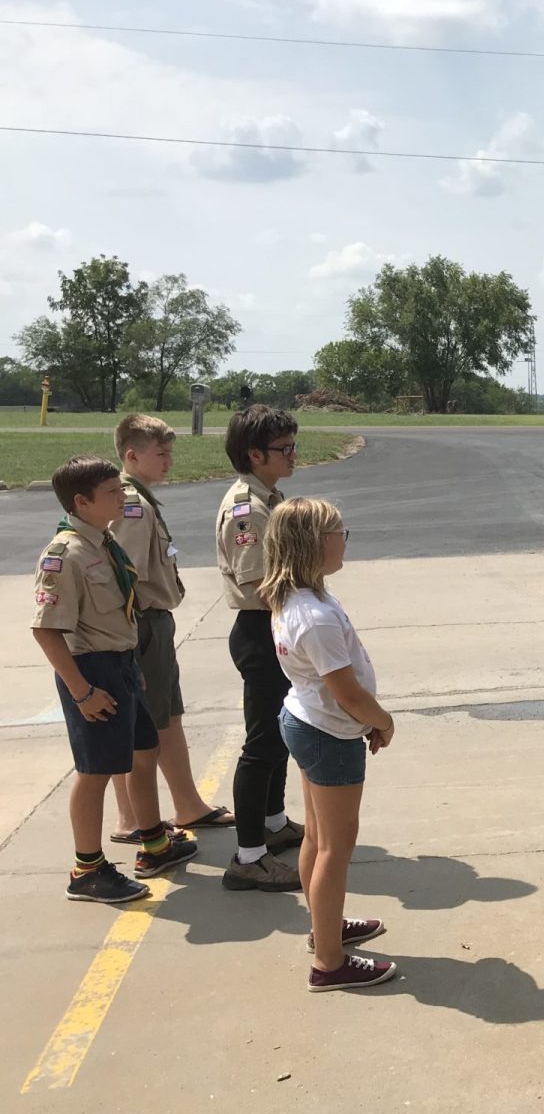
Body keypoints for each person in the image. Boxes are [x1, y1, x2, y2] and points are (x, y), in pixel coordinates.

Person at [31, 455, 198, 903]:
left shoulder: (102, 542)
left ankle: (154, 843)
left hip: (122, 665)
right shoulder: (64, 555)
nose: (122, 496)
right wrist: (81, 691)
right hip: (91, 672)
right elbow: (46, 630)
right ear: (82, 502)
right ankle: (88, 869)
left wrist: (132, 670)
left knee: (145, 752)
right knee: (96, 771)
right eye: (112, 492)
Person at [262, 497, 398, 992]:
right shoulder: (313, 616)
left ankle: (324, 928)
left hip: (308, 721)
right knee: (335, 849)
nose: (345, 539)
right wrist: (381, 721)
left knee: (318, 840)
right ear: (314, 544)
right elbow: (346, 692)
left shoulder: (302, 598)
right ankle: (329, 963)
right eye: (341, 531)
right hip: (329, 733)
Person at [107, 414, 234, 843]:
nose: (169, 460)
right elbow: (120, 579)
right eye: (160, 453)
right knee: (147, 723)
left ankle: (186, 804)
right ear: (131, 455)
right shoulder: (132, 506)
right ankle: (132, 818)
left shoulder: (137, 499)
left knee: (165, 718)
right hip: (141, 624)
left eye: (169, 452)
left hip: (151, 622)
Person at [216, 406, 304, 892]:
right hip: (261, 629)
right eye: (284, 449)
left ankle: (273, 823)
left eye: (293, 445)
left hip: (273, 627)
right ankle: (248, 857)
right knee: (262, 744)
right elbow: (258, 582)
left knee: (280, 736)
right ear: (255, 454)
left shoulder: (269, 496)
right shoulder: (248, 509)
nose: (293, 455)